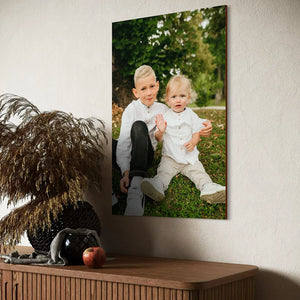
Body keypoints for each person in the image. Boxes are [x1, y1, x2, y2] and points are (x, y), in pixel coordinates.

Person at [113, 66, 212, 216]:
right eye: (143, 88)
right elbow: (123, 144)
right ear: (135, 92)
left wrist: (206, 122)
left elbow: (182, 115)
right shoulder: (130, 110)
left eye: (152, 86)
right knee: (101, 141)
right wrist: (125, 173)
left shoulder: (163, 109)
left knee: (139, 126)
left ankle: (136, 188)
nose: (149, 92)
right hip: (129, 153)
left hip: (145, 154)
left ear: (157, 85)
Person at [141, 75, 226, 204]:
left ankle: (208, 187)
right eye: (174, 97)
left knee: (199, 172)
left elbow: (197, 131)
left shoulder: (191, 115)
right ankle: (158, 186)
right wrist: (161, 130)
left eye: (182, 96)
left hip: (189, 158)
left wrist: (193, 142)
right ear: (168, 100)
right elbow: (158, 138)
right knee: (164, 172)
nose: (178, 100)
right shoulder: (166, 116)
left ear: (188, 98)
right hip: (170, 157)